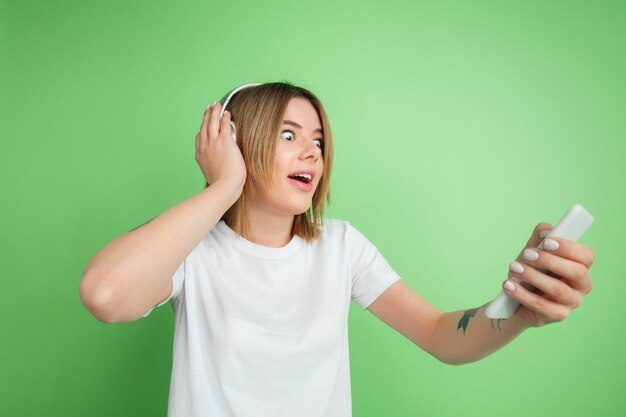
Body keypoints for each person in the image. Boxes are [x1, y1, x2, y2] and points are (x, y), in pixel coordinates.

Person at [79, 82, 596, 417]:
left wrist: (519, 315)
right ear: (234, 143)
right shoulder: (190, 249)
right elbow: (105, 294)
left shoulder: (341, 247)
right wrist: (221, 188)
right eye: (288, 134)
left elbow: (443, 337)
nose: (311, 152)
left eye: (319, 141)